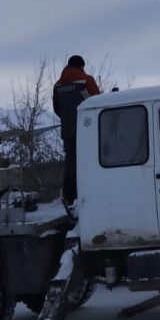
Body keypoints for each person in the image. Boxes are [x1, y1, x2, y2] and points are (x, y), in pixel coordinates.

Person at [52, 55, 100, 207]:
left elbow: (57, 109)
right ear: (81, 67)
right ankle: (87, 193)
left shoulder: (58, 86)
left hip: (67, 131)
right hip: (86, 130)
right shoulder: (87, 81)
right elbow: (97, 103)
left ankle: (69, 196)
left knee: (71, 162)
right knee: (88, 161)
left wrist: (67, 119)